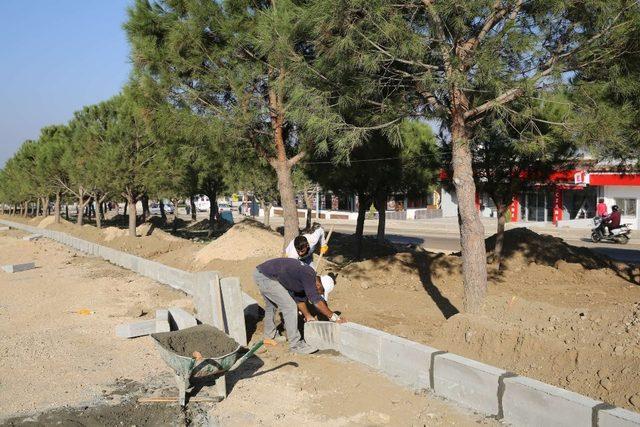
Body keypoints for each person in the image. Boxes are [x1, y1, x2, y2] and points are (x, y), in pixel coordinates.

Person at [253, 258, 345, 354]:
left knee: (271, 305)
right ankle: (296, 345)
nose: (318, 294)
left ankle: (269, 335)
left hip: (263, 273)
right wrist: (334, 317)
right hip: (266, 276)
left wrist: (308, 316)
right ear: (319, 286)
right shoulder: (309, 275)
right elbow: (316, 300)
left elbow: (299, 298)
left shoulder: (307, 278)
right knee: (289, 307)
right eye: (320, 292)